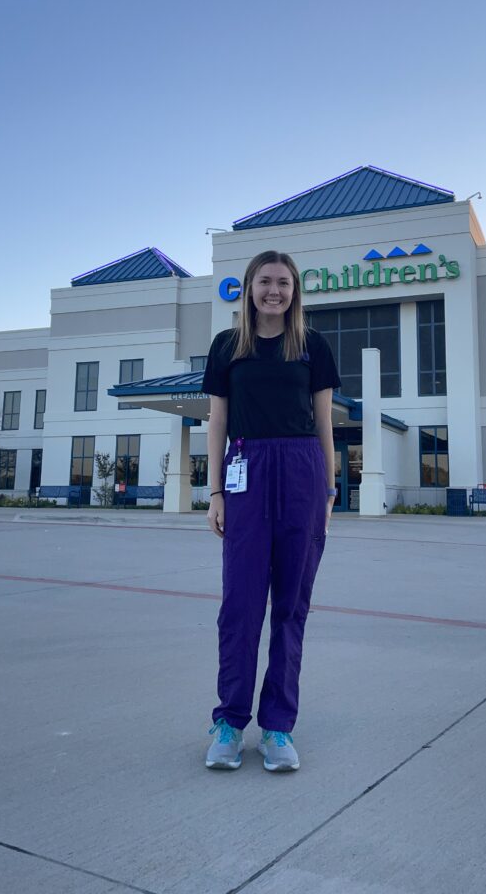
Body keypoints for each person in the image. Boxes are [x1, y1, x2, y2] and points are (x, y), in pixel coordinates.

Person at [201, 250, 341, 772]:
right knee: (239, 604)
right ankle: (230, 724)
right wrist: (215, 492)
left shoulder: (313, 346)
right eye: (265, 282)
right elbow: (217, 423)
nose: (274, 291)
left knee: (290, 605)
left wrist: (327, 495)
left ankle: (278, 727)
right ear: (249, 288)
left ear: (295, 290)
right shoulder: (227, 348)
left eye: (283, 283)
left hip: (302, 471)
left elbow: (325, 424)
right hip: (246, 471)